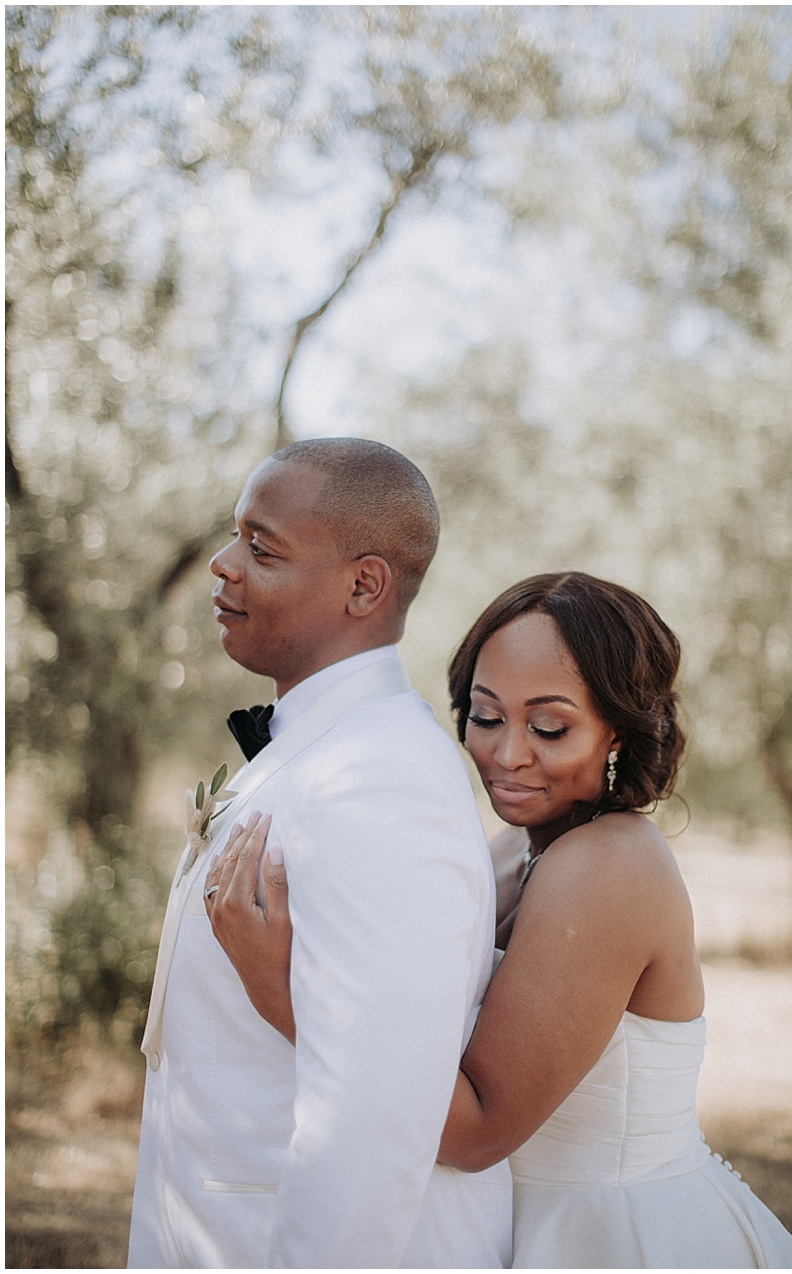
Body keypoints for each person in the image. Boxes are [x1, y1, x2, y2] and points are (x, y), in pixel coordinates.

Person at [205, 571, 792, 1269]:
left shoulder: (608, 868)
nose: (507, 754)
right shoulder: (509, 852)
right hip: (517, 1224)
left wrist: (282, 993)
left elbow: (479, 1130)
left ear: (618, 730)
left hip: (617, 1238)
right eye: (487, 716)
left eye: (550, 727)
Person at [128, 439, 513, 1267]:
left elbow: (369, 1116)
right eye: (235, 538)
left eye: (262, 549)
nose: (223, 566)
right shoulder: (322, 748)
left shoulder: (385, 777)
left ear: (364, 585)